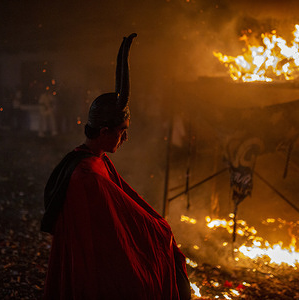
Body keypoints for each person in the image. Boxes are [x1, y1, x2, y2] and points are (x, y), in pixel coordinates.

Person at [40, 33, 191, 300]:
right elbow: (114, 231)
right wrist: (159, 232)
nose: (126, 138)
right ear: (106, 131)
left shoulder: (91, 158)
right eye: (123, 131)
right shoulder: (86, 174)